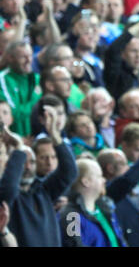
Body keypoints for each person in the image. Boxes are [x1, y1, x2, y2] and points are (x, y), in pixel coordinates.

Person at [0, 105, 77, 246]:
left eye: (32, 162)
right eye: (23, 162)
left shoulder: (43, 191)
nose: (28, 167)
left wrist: (55, 135)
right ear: (12, 165)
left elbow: (69, 172)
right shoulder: (8, 195)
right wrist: (18, 149)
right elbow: (9, 189)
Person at [0, 40, 41, 137]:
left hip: (33, 138)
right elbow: (13, 113)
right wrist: (34, 98)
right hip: (11, 138)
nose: (29, 60)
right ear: (11, 58)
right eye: (23, 57)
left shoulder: (35, 78)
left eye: (30, 55)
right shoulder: (3, 79)